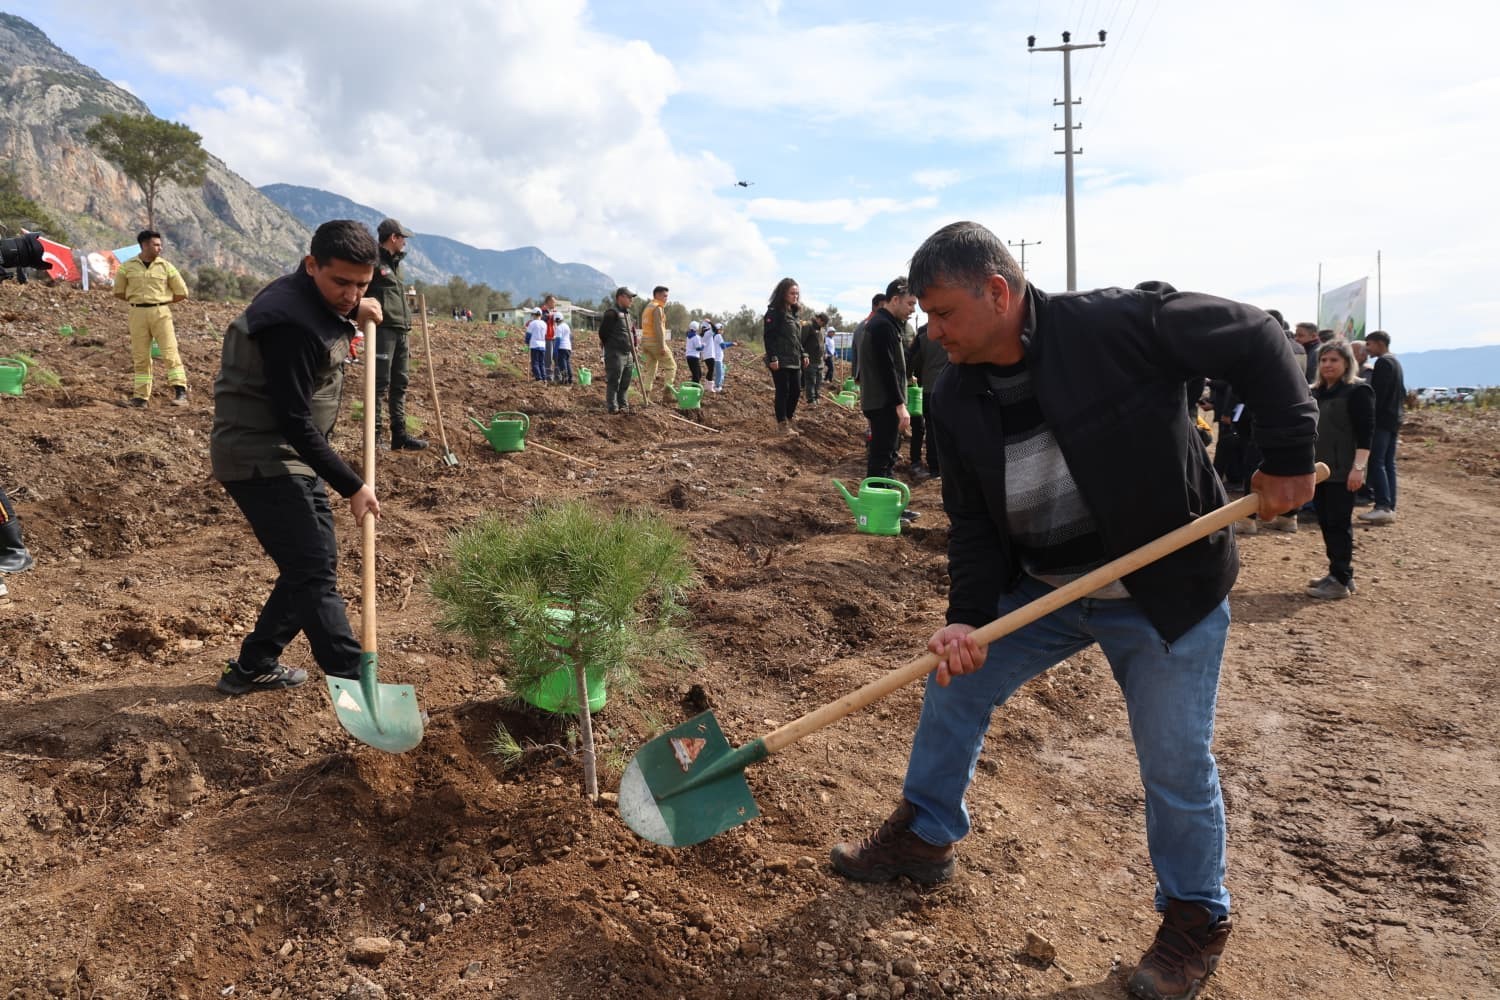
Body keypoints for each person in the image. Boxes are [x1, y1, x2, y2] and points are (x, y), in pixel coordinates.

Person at [828, 221, 1316, 1000]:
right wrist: (967, 618)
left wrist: (1290, 452)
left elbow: (1255, 335)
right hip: (1048, 590)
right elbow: (976, 522)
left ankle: (1196, 918)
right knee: (953, 681)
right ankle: (926, 835)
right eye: (924, 315)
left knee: (1174, 759)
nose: (934, 331)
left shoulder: (1119, 328)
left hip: (1162, 585)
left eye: (945, 312)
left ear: (999, 290)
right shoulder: (953, 392)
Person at [208, 220, 384, 695]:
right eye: (341, 282)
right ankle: (357, 686)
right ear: (311, 266)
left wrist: (357, 307)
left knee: (310, 565)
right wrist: (352, 484)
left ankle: (254, 664)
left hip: (283, 453)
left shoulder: (316, 298)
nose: (351, 294)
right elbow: (294, 421)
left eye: (362, 284)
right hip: (261, 456)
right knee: (312, 572)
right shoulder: (290, 325)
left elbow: (342, 302)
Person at [1307, 340, 1374, 599]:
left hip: (1344, 471)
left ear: (1347, 362)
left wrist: (1358, 469)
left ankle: (1340, 580)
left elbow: (1366, 435)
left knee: (1338, 523)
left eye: (1334, 360)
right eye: (1324, 360)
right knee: (1325, 521)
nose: (1327, 365)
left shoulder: (1357, 391)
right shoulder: (1317, 392)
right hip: (1320, 471)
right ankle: (1340, 573)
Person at [366, 219, 427, 450]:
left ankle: (399, 436)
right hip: (383, 330)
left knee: (400, 383)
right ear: (394, 237)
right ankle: (375, 438)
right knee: (379, 383)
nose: (405, 242)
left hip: (401, 330)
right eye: (403, 238)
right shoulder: (373, 262)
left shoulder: (396, 266)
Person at [113, 229, 189, 407]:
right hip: (137, 314)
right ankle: (140, 398)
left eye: (160, 245)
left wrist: (160, 301)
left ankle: (180, 392)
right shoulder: (127, 266)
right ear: (144, 245)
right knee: (140, 356)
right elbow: (119, 291)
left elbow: (182, 292)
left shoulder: (166, 266)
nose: (160, 248)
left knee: (170, 352)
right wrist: (139, 301)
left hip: (161, 313)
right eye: (156, 245)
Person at [859, 278, 914, 485]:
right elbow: (887, 369)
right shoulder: (883, 326)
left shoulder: (888, 324)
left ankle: (888, 507)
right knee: (881, 458)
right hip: (884, 404)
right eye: (910, 303)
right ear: (895, 299)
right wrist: (900, 406)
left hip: (884, 402)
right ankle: (876, 511)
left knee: (888, 456)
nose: (913, 309)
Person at [1359, 330, 1404, 525]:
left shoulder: (1383, 363)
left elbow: (1377, 395)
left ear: (1378, 343)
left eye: (1369, 345)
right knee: (1387, 463)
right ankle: (1389, 505)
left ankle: (1382, 505)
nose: (1367, 349)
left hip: (1382, 421)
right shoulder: (1395, 361)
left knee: (1376, 462)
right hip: (1393, 419)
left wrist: (1369, 417)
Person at [763, 278, 808, 434]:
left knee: (796, 391)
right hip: (780, 360)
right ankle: (782, 425)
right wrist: (773, 357)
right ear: (783, 294)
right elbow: (769, 337)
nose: (795, 296)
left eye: (797, 293)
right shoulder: (774, 313)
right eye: (792, 293)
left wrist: (803, 353)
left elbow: (795, 338)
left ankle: (789, 419)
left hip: (794, 359)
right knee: (783, 391)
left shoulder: (794, 313)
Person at [905, 321, 949, 480]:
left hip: (930, 388)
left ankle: (935, 467)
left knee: (931, 428)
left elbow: (912, 361)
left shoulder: (923, 334)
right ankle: (947, 467)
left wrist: (915, 376)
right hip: (951, 386)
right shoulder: (953, 328)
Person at [598, 287, 637, 413]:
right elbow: (603, 333)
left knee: (625, 382)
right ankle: (613, 408)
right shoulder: (612, 313)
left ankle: (623, 407)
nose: (631, 300)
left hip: (628, 353)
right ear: (620, 297)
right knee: (614, 381)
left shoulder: (627, 314)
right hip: (616, 353)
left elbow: (631, 332)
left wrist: (633, 347)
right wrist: (611, 346)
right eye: (629, 297)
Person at [639, 285, 677, 403]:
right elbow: (658, 328)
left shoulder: (648, 307)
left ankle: (645, 395)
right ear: (657, 295)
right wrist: (662, 346)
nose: (666, 298)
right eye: (664, 296)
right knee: (671, 366)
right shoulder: (657, 308)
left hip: (646, 342)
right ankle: (667, 394)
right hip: (655, 342)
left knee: (651, 369)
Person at [849, 293, 887, 382]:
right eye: (883, 306)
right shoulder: (872, 326)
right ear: (874, 306)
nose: (886, 309)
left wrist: (855, 375)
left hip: (865, 375)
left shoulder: (862, 325)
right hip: (873, 376)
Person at [802, 311, 829, 405]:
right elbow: (801, 342)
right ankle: (811, 400)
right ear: (818, 319)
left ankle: (817, 397)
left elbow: (823, 343)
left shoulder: (822, 329)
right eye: (822, 322)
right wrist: (804, 355)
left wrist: (824, 352)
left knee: (818, 381)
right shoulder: (808, 326)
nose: (823, 324)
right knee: (811, 381)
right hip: (810, 360)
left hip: (820, 361)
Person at [525, 308, 548, 381]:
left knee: (535, 362)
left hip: (534, 345)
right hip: (543, 345)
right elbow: (545, 334)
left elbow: (528, 335)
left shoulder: (532, 323)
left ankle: (538, 378)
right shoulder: (544, 324)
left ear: (533, 315)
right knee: (542, 362)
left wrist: (527, 342)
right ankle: (544, 378)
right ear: (540, 315)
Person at [553, 311, 574, 384]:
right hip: (568, 347)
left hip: (562, 348)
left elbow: (558, 340)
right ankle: (570, 379)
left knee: (562, 364)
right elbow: (571, 337)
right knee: (567, 363)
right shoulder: (566, 326)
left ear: (555, 320)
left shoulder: (559, 328)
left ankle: (565, 380)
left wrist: (555, 350)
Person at [684, 320, 705, 384]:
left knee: (696, 374)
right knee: (697, 375)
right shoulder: (696, 337)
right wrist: (703, 345)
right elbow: (698, 348)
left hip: (688, 357)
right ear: (697, 328)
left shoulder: (688, 336)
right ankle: (695, 390)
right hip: (694, 357)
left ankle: (693, 387)